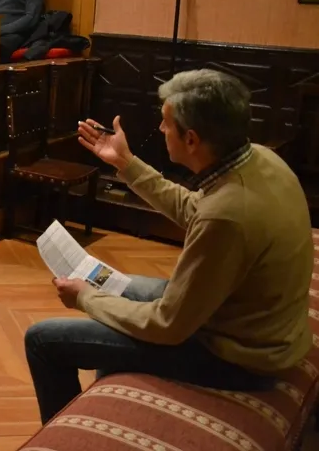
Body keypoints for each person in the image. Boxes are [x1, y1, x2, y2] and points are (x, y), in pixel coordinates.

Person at [24, 69, 313, 425]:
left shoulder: (228, 216)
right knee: (120, 286)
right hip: (251, 324)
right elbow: (194, 208)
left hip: (238, 358)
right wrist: (125, 163)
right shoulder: (259, 159)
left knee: (42, 340)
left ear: (190, 139)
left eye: (165, 122)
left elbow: (169, 325)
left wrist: (85, 298)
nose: (160, 130)